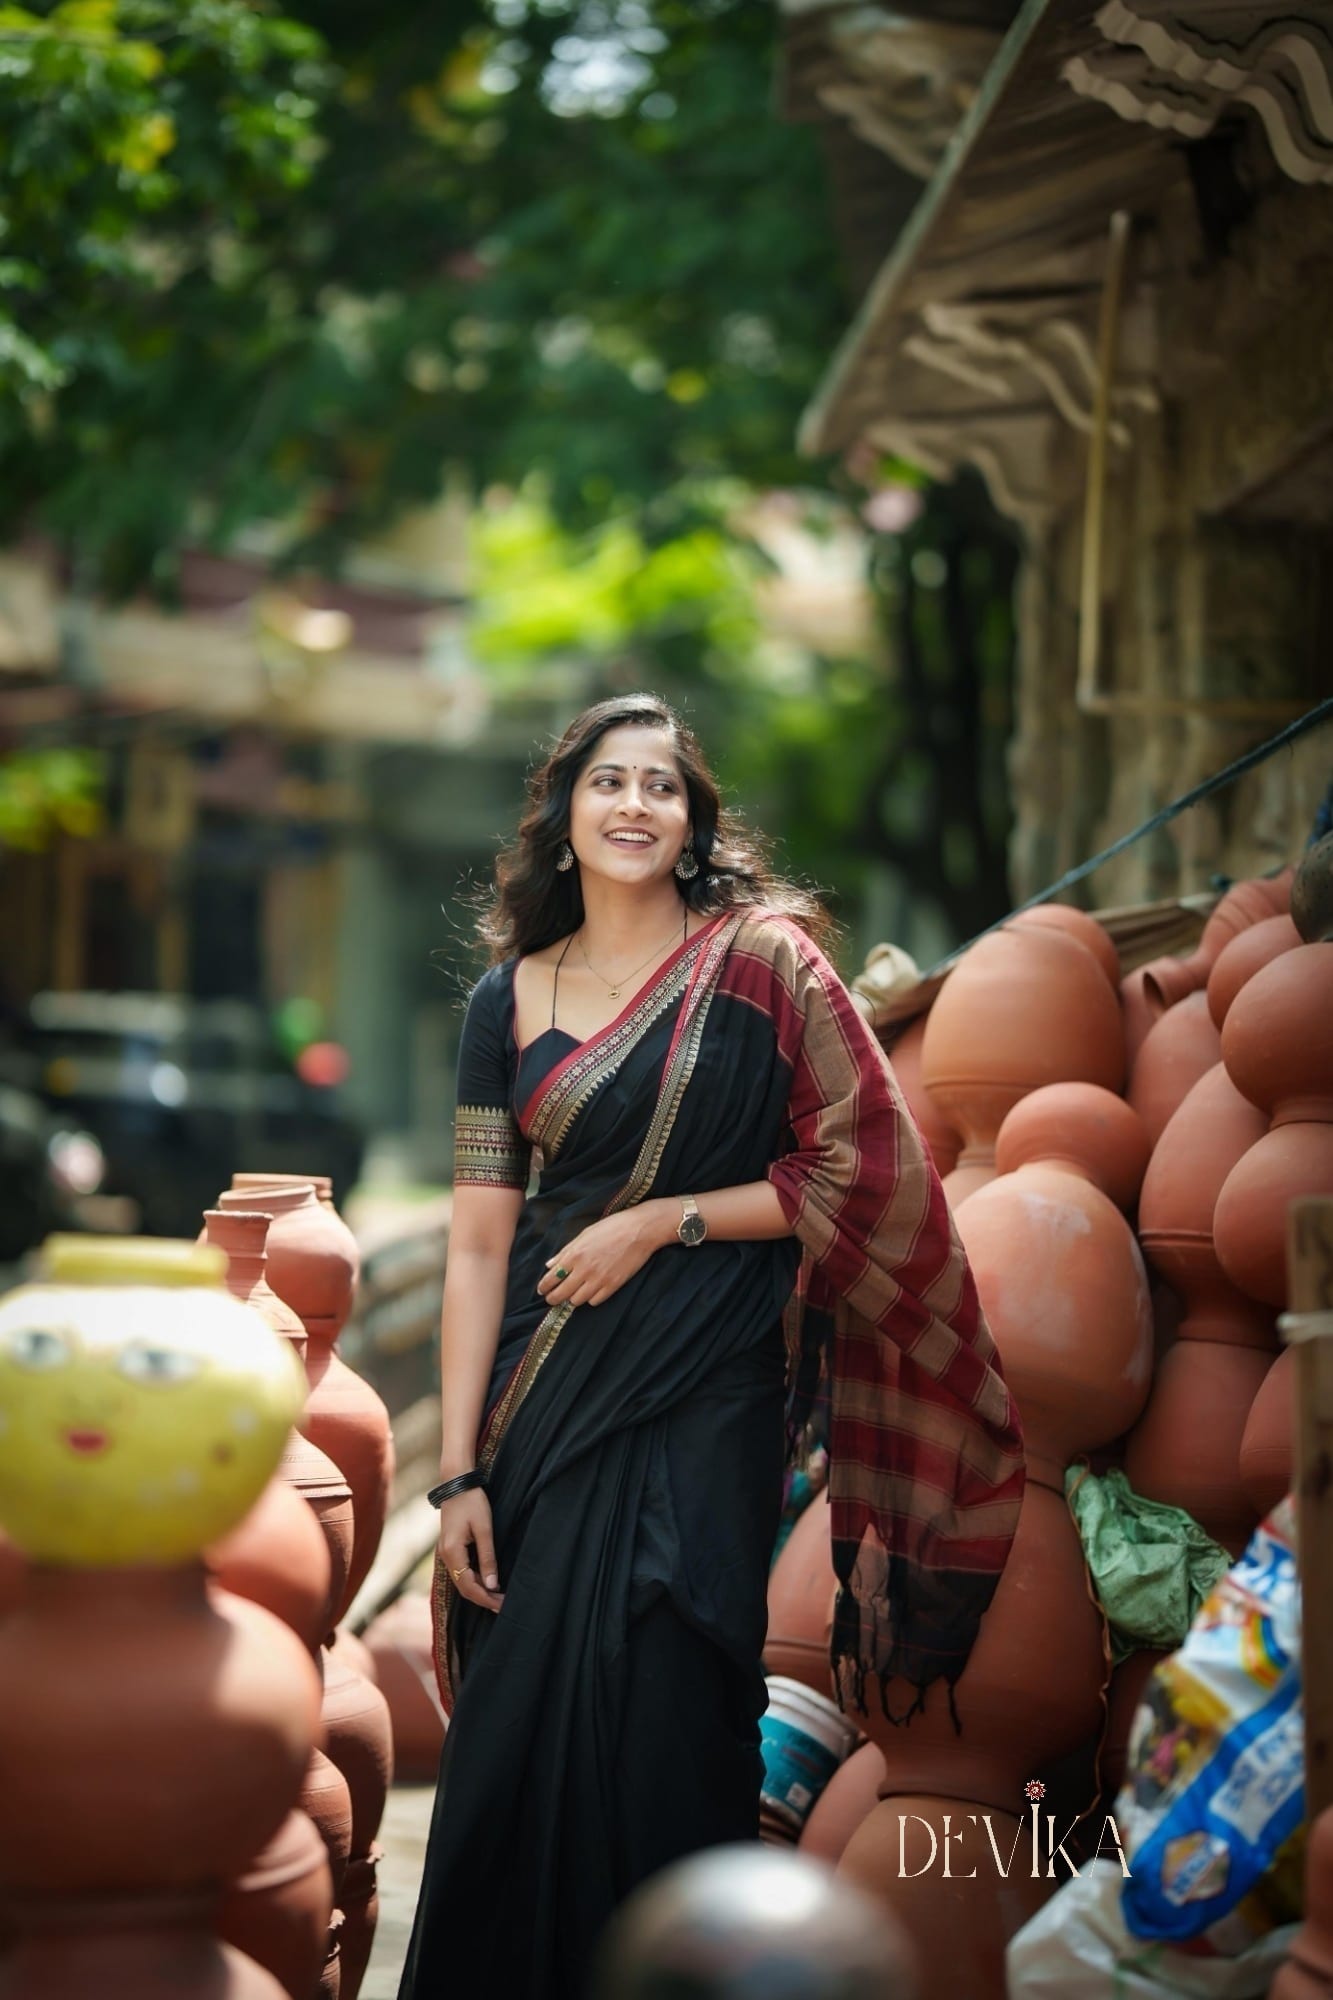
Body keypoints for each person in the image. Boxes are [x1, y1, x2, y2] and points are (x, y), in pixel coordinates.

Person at [397, 694, 1024, 2000]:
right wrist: (453, 1476)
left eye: (661, 787)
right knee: (510, 1745)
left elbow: (854, 1168)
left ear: (692, 823)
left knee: (674, 1729)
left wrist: (663, 1223)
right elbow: (474, 1245)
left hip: (706, 1408)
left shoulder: (765, 964)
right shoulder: (504, 1002)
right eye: (607, 782)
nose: (633, 804)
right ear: (563, 815)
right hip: (540, 1412)